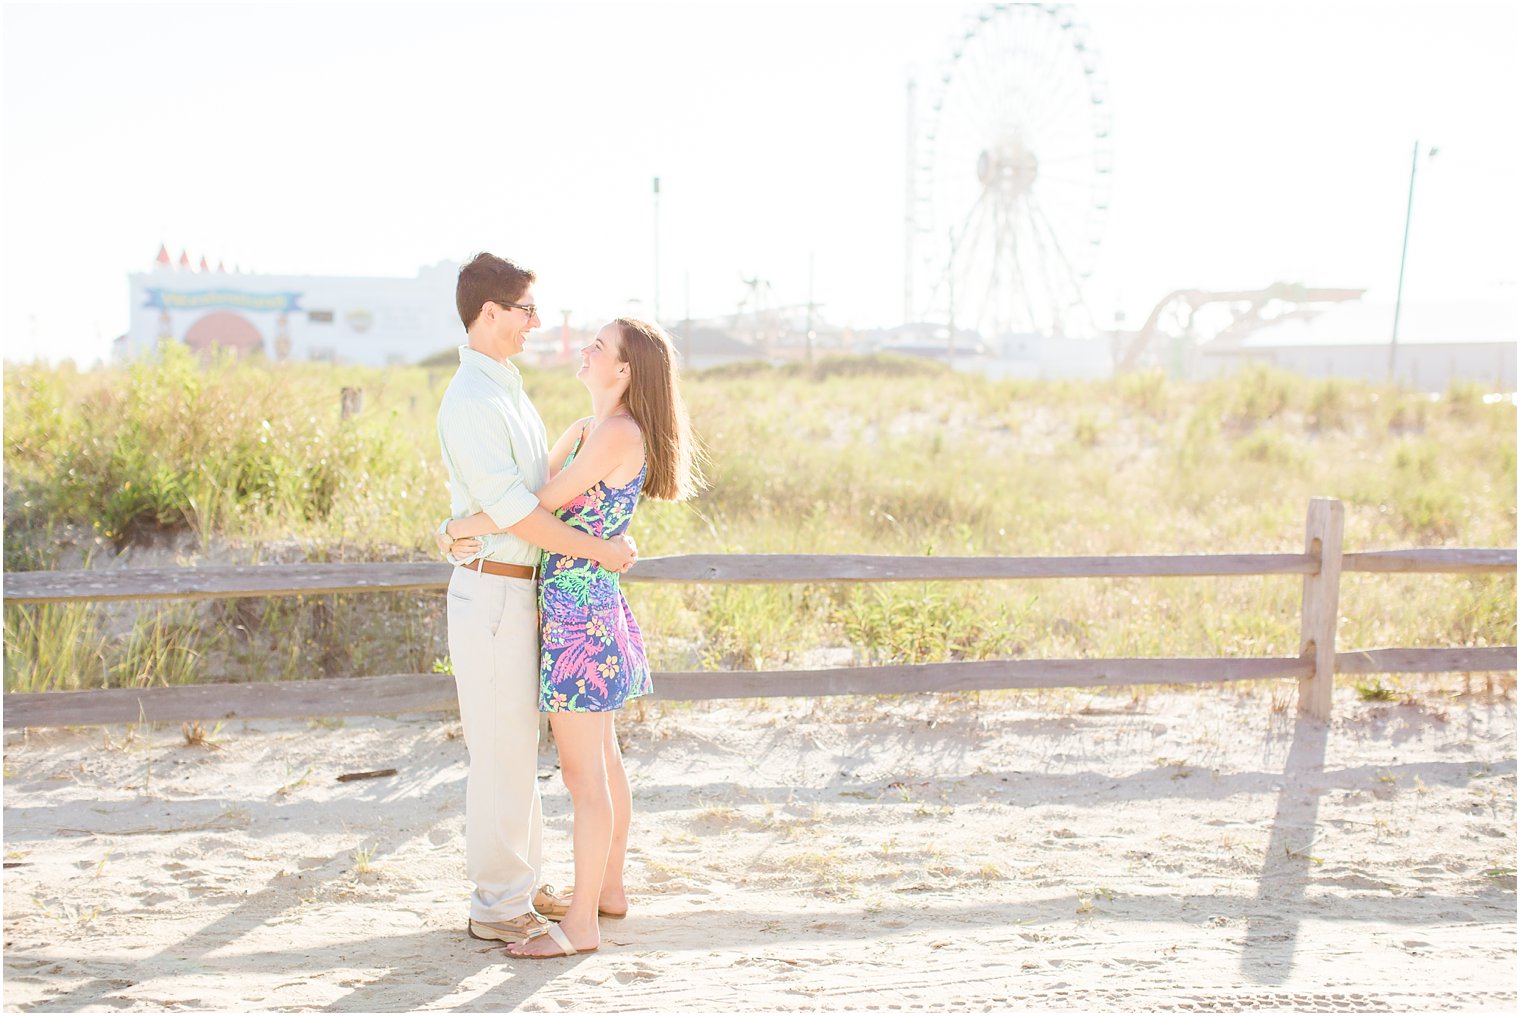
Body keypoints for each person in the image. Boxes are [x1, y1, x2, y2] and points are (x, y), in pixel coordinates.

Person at [443, 316, 702, 959]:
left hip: (578, 618)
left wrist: (456, 526)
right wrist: (479, 521)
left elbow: (534, 507)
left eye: (598, 346)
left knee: (586, 780)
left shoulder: (615, 433)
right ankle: (608, 890)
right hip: (581, 606)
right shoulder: (592, 429)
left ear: (623, 371)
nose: (584, 349)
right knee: (604, 766)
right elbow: (532, 498)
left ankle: (581, 925)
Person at [436, 253, 637, 951]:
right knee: (500, 752)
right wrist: (598, 551)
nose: (536, 322)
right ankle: (497, 904)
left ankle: (520, 885)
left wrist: (460, 524)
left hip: (525, 595)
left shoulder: (507, 391)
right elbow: (521, 512)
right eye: (525, 310)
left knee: (521, 751)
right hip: (494, 590)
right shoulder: (471, 400)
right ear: (489, 313)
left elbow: (540, 494)